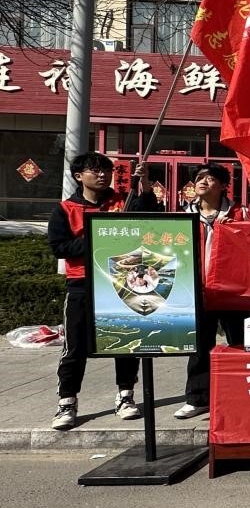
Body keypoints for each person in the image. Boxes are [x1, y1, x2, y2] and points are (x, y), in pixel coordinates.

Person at [47, 152, 160, 430]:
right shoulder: (65, 209)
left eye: (106, 170)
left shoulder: (124, 202)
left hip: (121, 282)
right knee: (75, 347)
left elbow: (150, 219)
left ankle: (126, 396)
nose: (102, 175)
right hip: (81, 284)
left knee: (127, 342)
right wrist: (100, 231)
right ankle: (67, 401)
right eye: (95, 170)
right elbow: (60, 248)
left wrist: (145, 185)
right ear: (78, 176)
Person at [174, 163, 245, 419]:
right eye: (199, 178)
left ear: (224, 185)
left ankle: (242, 396)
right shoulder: (182, 216)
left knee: (239, 344)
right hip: (197, 290)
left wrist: (243, 226)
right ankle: (197, 399)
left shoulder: (240, 214)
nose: (203, 182)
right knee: (200, 347)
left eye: (211, 178)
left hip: (233, 292)